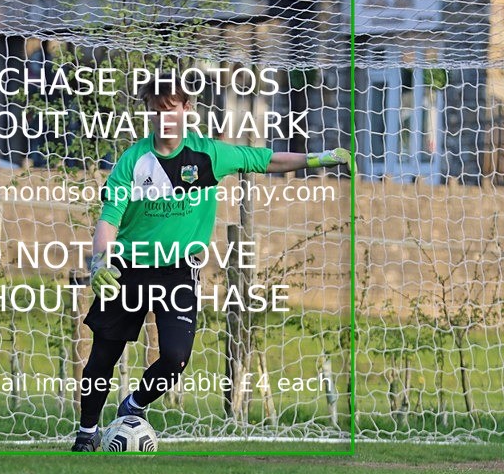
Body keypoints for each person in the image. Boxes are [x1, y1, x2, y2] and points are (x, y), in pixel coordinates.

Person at [71, 73, 351, 451]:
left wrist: (317, 159)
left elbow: (265, 160)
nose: (163, 120)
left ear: (188, 111)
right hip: (127, 269)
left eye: (170, 111)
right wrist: (100, 264)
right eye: (155, 113)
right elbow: (109, 218)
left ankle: (133, 405)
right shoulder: (133, 161)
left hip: (178, 271)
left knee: (174, 357)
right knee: (103, 355)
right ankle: (87, 434)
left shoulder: (208, 155)